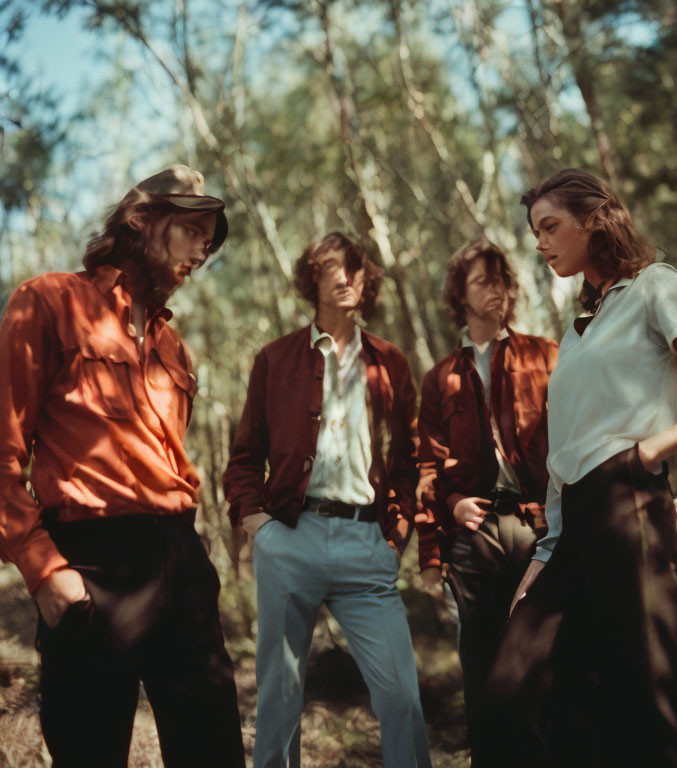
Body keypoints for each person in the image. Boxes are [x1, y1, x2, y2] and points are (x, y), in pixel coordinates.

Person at [487, 168, 677, 767]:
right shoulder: (578, 329)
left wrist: (648, 454)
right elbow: (565, 450)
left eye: (551, 227)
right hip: (573, 520)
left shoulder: (656, 285)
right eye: (535, 232)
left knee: (649, 700)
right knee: (513, 689)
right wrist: (547, 550)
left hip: (630, 501)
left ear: (594, 219)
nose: (542, 242)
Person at [0, 165, 245, 768]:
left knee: (213, 750)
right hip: (90, 564)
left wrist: (193, 567)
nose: (202, 250)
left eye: (209, 241)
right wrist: (43, 569)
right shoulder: (49, 300)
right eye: (191, 230)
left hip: (181, 562)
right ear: (141, 219)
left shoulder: (174, 346)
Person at [223, 231, 432, 768]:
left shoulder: (390, 363)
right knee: (278, 698)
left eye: (356, 270)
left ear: (367, 281)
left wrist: (397, 535)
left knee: (402, 698)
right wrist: (258, 527)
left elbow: (410, 461)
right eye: (332, 268)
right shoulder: (274, 360)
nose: (345, 278)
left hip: (369, 544)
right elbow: (245, 456)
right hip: (292, 536)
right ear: (311, 278)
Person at [415, 238, 557, 766]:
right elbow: (426, 468)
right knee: (480, 665)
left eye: (502, 280)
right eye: (482, 281)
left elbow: (568, 443)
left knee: (544, 659)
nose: (495, 291)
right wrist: (448, 515)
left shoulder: (546, 356)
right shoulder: (440, 377)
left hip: (537, 526)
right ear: (460, 294)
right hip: (473, 535)